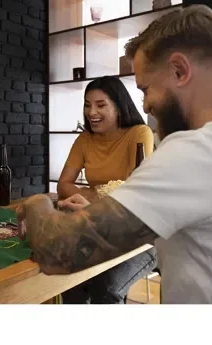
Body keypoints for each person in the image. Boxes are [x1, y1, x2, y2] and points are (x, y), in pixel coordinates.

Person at [17, 4, 212, 304]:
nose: (145, 105)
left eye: (146, 89)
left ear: (179, 71)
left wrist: (37, 203)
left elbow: (56, 251)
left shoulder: (197, 153)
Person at [57, 76, 157, 304]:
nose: (91, 112)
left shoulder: (139, 133)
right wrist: (95, 196)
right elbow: (63, 184)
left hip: (143, 234)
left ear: (119, 107)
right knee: (69, 279)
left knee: (106, 287)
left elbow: (136, 194)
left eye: (101, 105)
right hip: (100, 228)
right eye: (87, 105)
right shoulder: (85, 140)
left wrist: (94, 196)